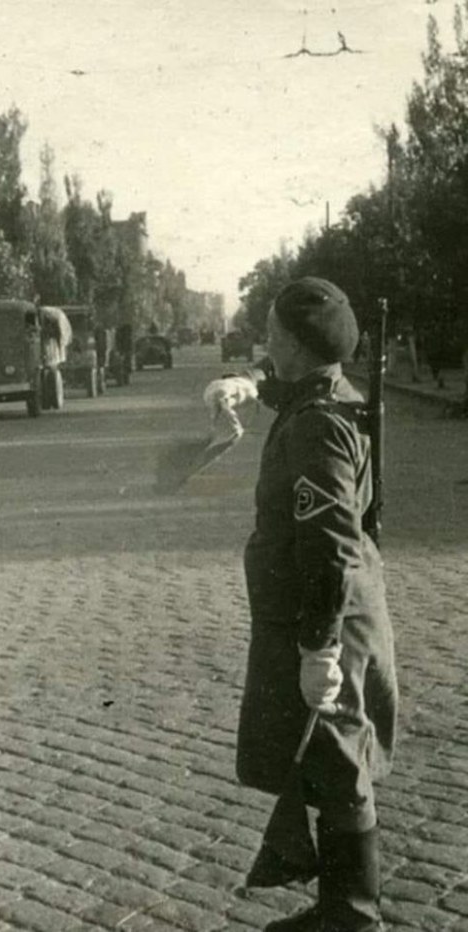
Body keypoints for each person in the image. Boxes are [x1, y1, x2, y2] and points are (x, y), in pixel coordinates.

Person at [207, 278, 398, 931]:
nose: (266, 343)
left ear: (295, 343)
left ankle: (353, 916)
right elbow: (289, 385)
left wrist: (320, 650)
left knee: (339, 757)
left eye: (272, 334)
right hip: (332, 607)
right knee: (324, 751)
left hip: (329, 613)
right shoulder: (329, 394)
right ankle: (339, 905)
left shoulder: (318, 427)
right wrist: (247, 384)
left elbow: (330, 547)